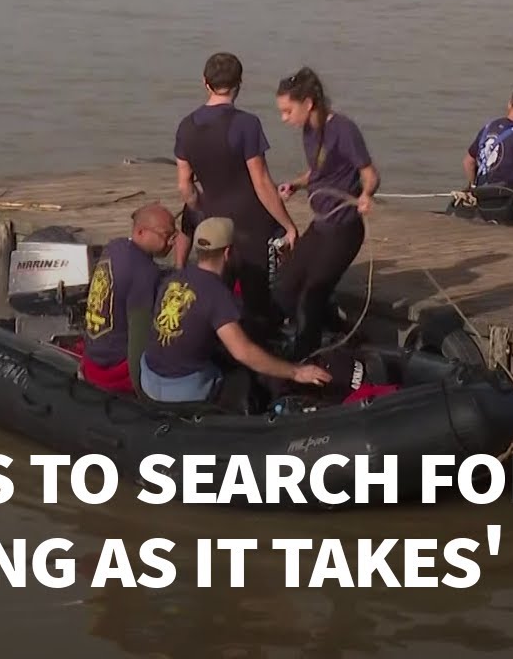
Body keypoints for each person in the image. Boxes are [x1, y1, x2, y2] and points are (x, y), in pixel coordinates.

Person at [174, 52, 300, 341]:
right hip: (251, 224)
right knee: (257, 302)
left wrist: (201, 210)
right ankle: (260, 361)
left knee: (214, 292)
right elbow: (262, 182)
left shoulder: (186, 127)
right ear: (239, 84)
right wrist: (289, 225)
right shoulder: (246, 124)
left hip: (212, 222)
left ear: (205, 83)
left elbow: (185, 187)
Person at [140, 217, 331, 403]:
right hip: (181, 389)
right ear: (228, 252)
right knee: (247, 377)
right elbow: (243, 352)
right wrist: (296, 372)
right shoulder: (217, 293)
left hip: (148, 378)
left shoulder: (174, 278)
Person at [274, 67, 380, 360]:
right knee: (285, 285)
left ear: (308, 103)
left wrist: (366, 195)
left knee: (311, 296)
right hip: (321, 226)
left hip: (344, 229)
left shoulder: (343, 129)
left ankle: (304, 362)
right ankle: (340, 330)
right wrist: (295, 184)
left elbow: (370, 174)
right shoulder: (309, 130)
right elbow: (318, 171)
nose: (284, 119)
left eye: (287, 111)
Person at [80, 203, 181, 394]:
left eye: (175, 235)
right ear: (141, 232)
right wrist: (144, 392)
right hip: (114, 370)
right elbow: (139, 341)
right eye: (167, 235)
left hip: (92, 358)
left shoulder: (114, 248)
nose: (172, 242)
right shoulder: (144, 273)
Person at [462, 85, 513, 189]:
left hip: (482, 196)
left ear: (509, 104)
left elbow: (468, 163)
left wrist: (473, 187)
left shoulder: (488, 128)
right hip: (507, 201)